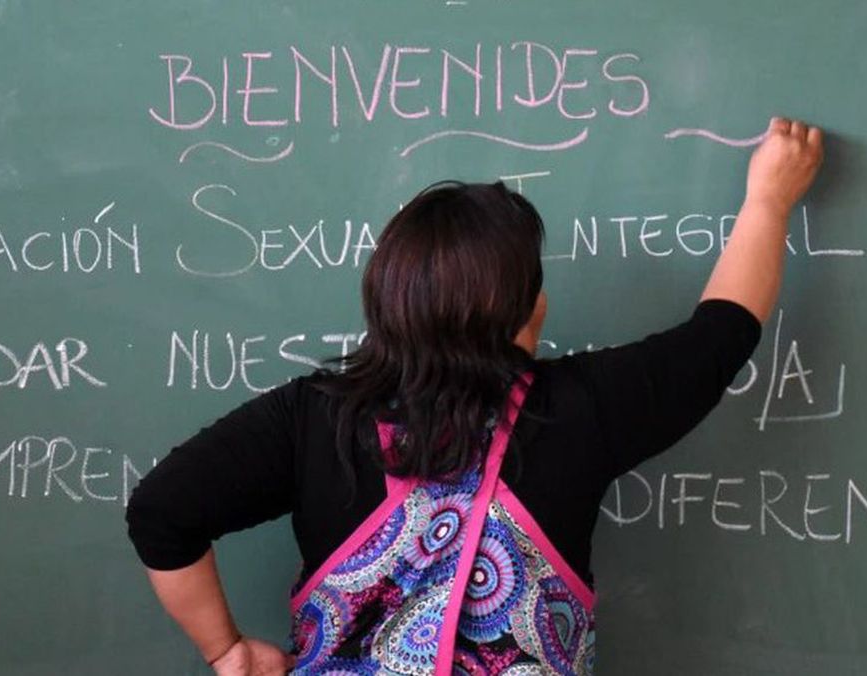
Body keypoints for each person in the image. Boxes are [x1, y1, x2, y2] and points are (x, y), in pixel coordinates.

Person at [125, 116, 824, 675]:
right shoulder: (579, 411)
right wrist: (769, 199)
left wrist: (228, 651)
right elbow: (721, 336)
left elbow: (162, 511)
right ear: (526, 308)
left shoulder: (314, 416)